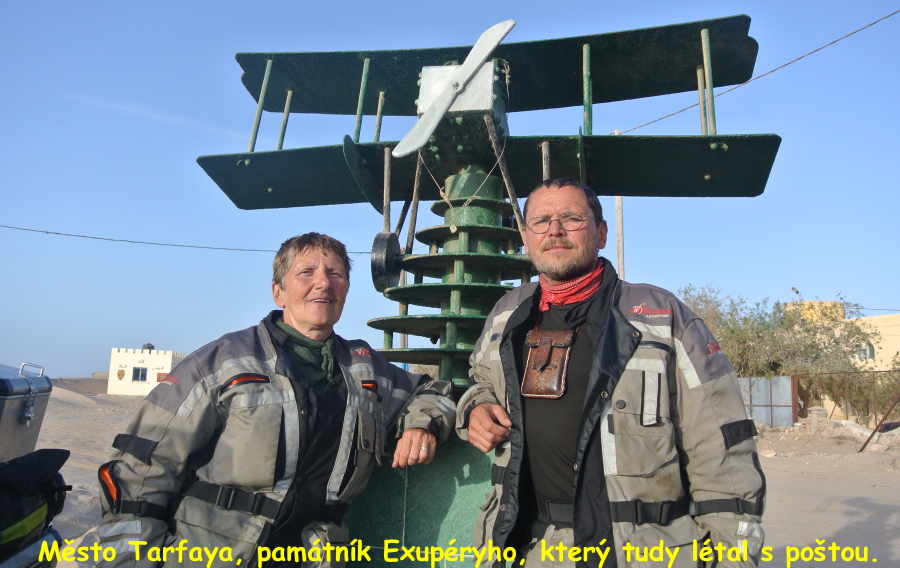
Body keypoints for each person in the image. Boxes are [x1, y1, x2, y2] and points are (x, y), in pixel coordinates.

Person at [457, 179, 765, 568]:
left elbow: (719, 442)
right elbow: (481, 381)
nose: (555, 230)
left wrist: (733, 555)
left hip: (635, 551)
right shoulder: (507, 313)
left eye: (572, 218)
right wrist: (477, 407)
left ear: (601, 233)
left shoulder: (662, 315)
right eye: (541, 221)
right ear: (525, 236)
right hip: (524, 545)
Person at [98, 233, 455, 568]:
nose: (323, 283)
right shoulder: (223, 362)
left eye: (335, 273)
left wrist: (421, 425)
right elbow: (143, 466)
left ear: (346, 289)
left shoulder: (367, 370)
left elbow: (433, 393)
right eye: (306, 272)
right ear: (278, 292)